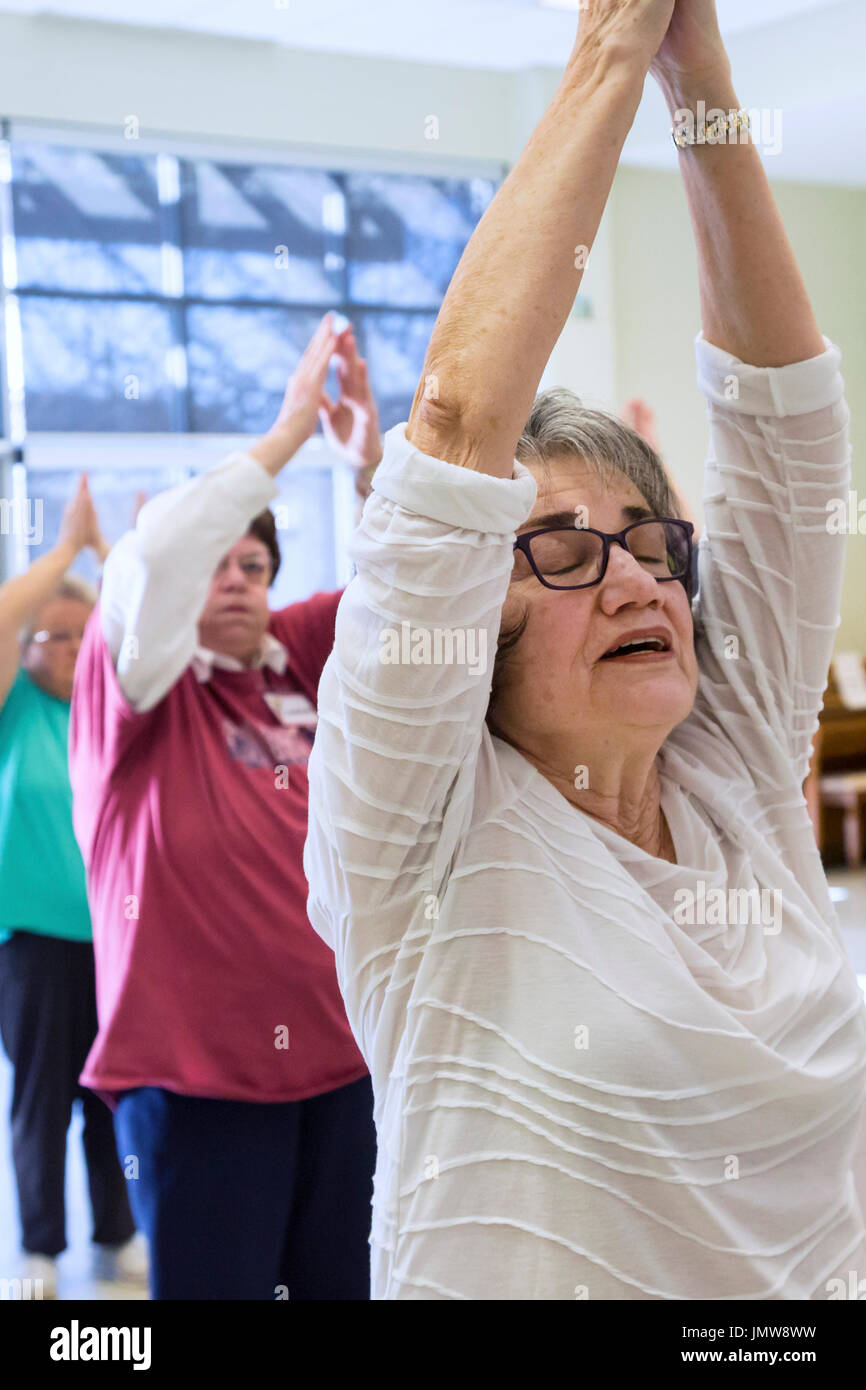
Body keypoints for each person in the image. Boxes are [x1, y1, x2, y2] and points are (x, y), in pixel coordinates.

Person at [303, 0, 866, 1299]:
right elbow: (448, 434)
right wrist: (611, 49)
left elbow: (788, 431)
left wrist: (700, 68)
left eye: (650, 539)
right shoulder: (420, 840)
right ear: (471, 637)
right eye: (562, 548)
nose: (632, 580)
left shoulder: (727, 770)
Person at [68, 314, 383, 1300]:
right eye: (219, 565)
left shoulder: (293, 655)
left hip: (342, 1063)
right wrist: (288, 435)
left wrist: (370, 472)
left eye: (253, 565)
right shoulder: (133, 688)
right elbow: (154, 557)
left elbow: (408, 591)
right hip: (199, 1083)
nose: (235, 581)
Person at [0, 476, 140, 1297]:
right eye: (50, 635)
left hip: (120, 941)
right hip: (35, 945)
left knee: (113, 1099)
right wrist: (63, 554)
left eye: (80, 637)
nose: (65, 649)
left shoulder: (109, 702)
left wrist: (110, 557)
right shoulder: (15, 709)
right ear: (25, 647)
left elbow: (154, 627)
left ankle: (116, 1234)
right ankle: (42, 1250)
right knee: (42, 1100)